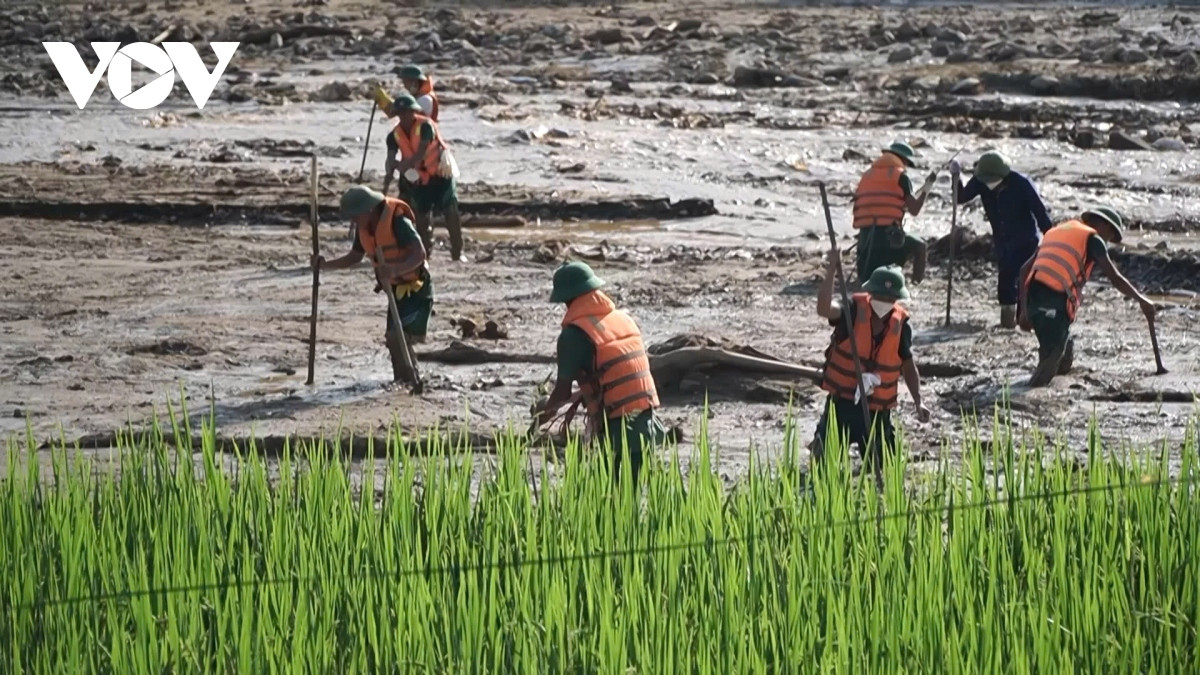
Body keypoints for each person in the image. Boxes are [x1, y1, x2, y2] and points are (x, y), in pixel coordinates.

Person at [532, 261, 667, 484]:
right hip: (647, 424)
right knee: (631, 495)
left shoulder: (573, 335)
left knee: (608, 495)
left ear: (566, 299)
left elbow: (562, 393)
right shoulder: (624, 319)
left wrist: (541, 417)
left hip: (617, 430)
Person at [812, 256, 931, 473]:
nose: (884, 300)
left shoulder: (900, 325)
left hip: (877, 411)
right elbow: (824, 308)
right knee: (823, 468)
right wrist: (832, 270)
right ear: (870, 292)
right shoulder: (852, 310)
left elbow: (908, 366)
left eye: (890, 297)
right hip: (842, 405)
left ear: (897, 299)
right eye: (880, 295)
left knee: (885, 469)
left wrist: (918, 401)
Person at [1018, 207, 1156, 387]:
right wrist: (1141, 299)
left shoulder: (1057, 232)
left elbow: (1024, 270)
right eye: (1110, 236)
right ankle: (1026, 396)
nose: (1107, 242)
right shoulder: (1093, 239)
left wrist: (1024, 310)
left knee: (1065, 355)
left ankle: (1054, 387)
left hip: (1034, 301)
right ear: (1104, 225)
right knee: (1051, 358)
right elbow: (1114, 277)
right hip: (1053, 303)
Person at [312, 186, 433, 384]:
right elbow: (354, 257)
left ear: (368, 210)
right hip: (395, 291)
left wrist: (395, 270)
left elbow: (419, 253)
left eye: (355, 216)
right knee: (393, 339)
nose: (354, 221)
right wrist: (324, 265)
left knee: (397, 337)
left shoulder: (398, 222)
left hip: (417, 289)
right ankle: (403, 382)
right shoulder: (365, 228)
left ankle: (412, 380)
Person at [950, 152, 1053, 328]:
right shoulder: (981, 180)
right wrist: (955, 177)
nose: (989, 184)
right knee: (1005, 283)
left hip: (1025, 241)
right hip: (1003, 242)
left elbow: (1040, 213)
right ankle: (1008, 324)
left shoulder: (1022, 184)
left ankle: (1024, 322)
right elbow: (960, 197)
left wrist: (1051, 241)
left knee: (1024, 283)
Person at [383, 94, 464, 262]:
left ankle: (458, 252)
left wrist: (403, 165)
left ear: (414, 112)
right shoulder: (394, 135)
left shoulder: (426, 127)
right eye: (401, 113)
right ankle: (425, 253)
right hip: (420, 180)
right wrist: (391, 168)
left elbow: (420, 153)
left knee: (450, 212)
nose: (405, 116)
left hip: (441, 175)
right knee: (421, 216)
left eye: (408, 112)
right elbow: (391, 157)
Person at [852, 141, 937, 285]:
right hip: (888, 238)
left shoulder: (867, 175)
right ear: (903, 160)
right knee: (920, 247)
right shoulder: (900, 176)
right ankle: (917, 284)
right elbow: (914, 209)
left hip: (865, 238)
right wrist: (926, 189)